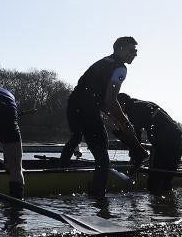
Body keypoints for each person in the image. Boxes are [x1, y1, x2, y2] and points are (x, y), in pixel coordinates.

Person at [58, 36, 148, 199]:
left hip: (73, 105)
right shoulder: (120, 68)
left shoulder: (103, 61)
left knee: (76, 136)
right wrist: (126, 123)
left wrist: (118, 121)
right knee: (103, 160)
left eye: (136, 51)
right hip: (87, 109)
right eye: (132, 50)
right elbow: (111, 100)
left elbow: (104, 103)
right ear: (120, 49)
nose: (135, 54)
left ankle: (60, 169)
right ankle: (98, 198)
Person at [117, 93, 182, 195]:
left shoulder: (132, 110)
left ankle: (156, 201)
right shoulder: (144, 104)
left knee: (154, 177)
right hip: (176, 136)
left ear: (122, 102)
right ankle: (168, 203)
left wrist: (134, 158)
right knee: (167, 175)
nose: (117, 109)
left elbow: (136, 137)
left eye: (118, 105)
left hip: (163, 139)